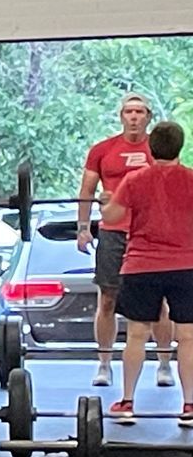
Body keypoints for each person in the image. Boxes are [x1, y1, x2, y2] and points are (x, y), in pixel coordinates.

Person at [99, 120, 193, 425]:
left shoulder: (135, 179)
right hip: (186, 266)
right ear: (180, 146)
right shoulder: (191, 179)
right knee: (188, 337)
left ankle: (127, 403)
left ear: (150, 147)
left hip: (141, 267)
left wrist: (106, 203)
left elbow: (111, 216)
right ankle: (190, 407)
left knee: (136, 335)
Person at [80, 94, 174, 388]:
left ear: (148, 116)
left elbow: (172, 187)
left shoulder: (158, 149)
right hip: (112, 231)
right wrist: (83, 227)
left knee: (159, 302)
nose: (134, 117)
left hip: (150, 233)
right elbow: (87, 189)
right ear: (121, 116)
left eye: (139, 112)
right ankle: (105, 364)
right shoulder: (102, 150)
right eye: (128, 112)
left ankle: (163, 364)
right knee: (107, 299)